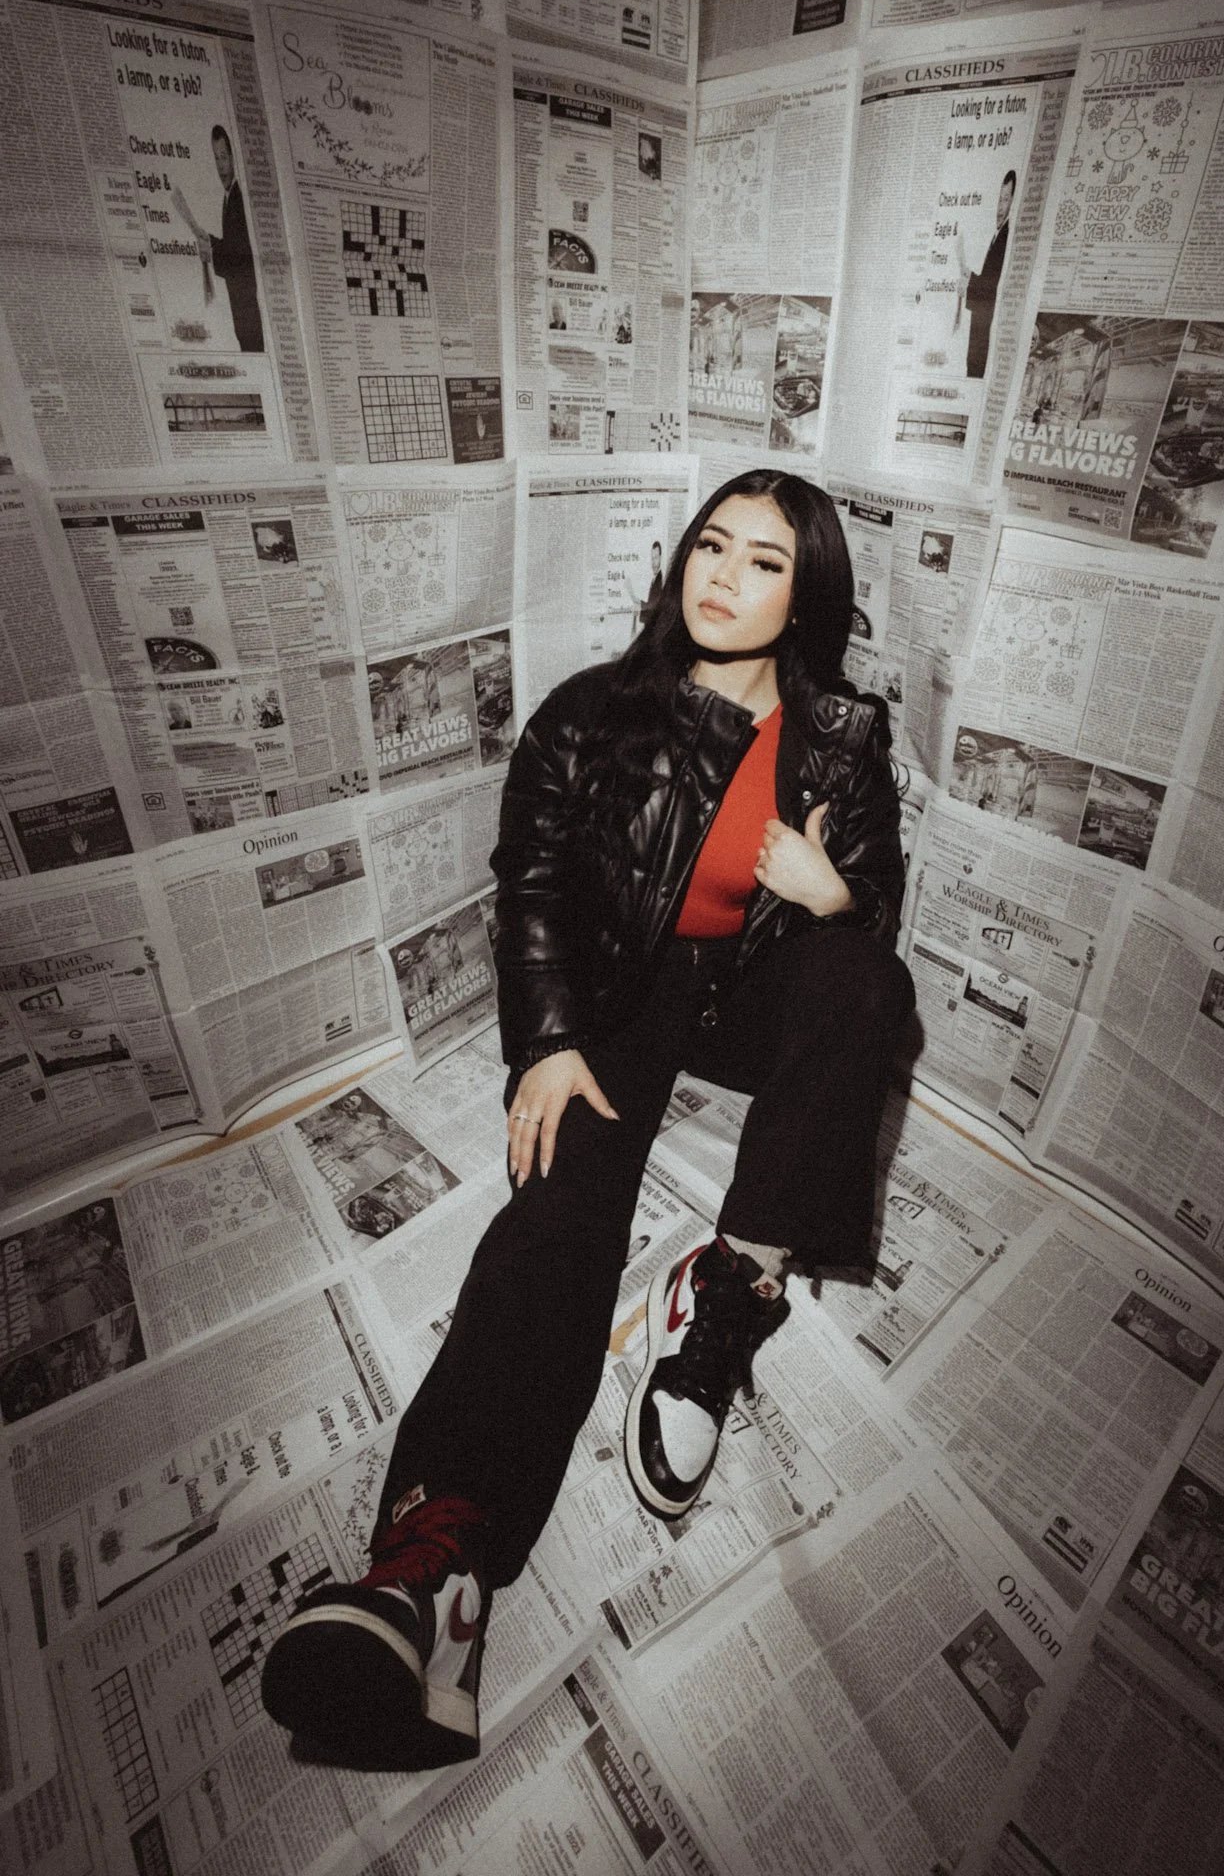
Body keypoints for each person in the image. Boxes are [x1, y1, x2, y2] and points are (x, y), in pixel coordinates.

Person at [260, 469, 914, 1772]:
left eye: (764, 561)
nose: (721, 576)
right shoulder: (590, 714)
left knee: (867, 979)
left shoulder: (842, 735)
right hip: (625, 989)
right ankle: (430, 1567)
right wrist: (550, 1045)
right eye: (710, 545)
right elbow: (537, 888)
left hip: (757, 994)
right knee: (555, 1216)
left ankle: (727, 1295)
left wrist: (827, 893)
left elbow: (871, 914)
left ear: (809, 591)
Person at [174, 127, 263, 353]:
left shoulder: (238, 198)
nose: (221, 166)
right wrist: (211, 240)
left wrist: (213, 249)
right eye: (216, 159)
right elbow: (233, 245)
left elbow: (240, 256)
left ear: (234, 157)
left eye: (224, 157)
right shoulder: (229, 197)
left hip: (249, 312)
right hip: (242, 313)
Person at [957, 170, 1015, 379]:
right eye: (998, 200)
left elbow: (993, 287)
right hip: (980, 327)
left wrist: (970, 282)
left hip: (985, 330)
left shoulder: (1006, 236)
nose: (999, 208)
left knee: (975, 369)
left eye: (1005, 200)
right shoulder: (997, 234)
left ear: (1013, 202)